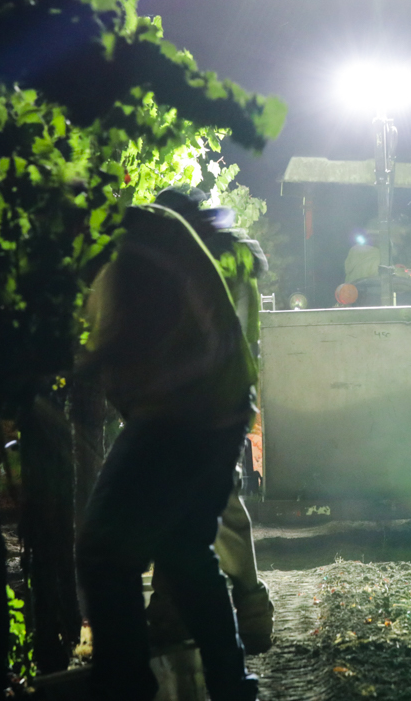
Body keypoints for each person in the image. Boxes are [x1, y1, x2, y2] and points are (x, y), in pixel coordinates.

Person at [75, 203, 259, 701]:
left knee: (102, 550)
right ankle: (231, 684)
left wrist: (71, 359)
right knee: (183, 549)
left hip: (181, 410)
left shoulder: (130, 245)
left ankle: (125, 687)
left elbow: (120, 336)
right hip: (218, 405)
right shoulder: (144, 231)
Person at [147, 188, 275, 655]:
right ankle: (239, 609)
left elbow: (223, 335)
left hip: (200, 400)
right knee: (206, 503)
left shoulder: (204, 259)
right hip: (213, 397)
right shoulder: (226, 256)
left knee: (209, 504)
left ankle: (193, 610)